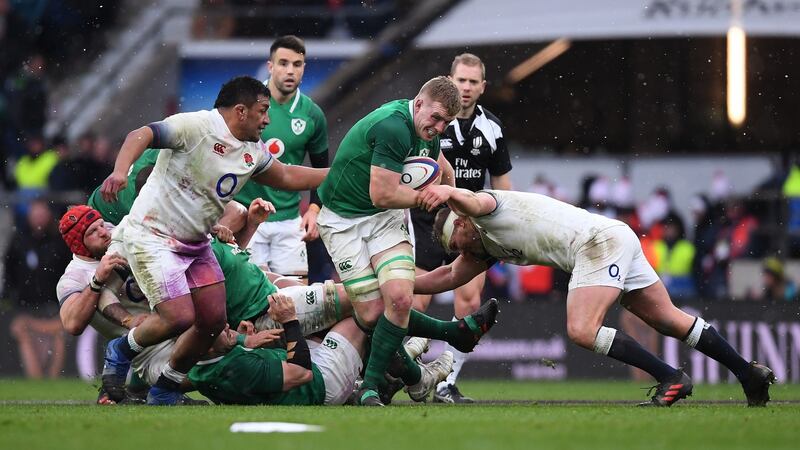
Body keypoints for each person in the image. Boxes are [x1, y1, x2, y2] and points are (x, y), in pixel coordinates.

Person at [414, 186, 776, 407]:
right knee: (668, 318)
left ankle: (671, 377)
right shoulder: (479, 250)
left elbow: (472, 201)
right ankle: (747, 373)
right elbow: (445, 276)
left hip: (596, 244)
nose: (460, 251)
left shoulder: (484, 207)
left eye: (457, 242)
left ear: (461, 223)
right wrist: (398, 286)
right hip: (613, 236)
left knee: (582, 329)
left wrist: (447, 192)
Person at [97, 75, 328, 405]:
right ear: (240, 111)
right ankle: (121, 349)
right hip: (153, 236)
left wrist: (338, 173)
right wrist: (120, 171)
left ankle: (166, 385)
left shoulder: (251, 150)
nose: (267, 119)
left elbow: (289, 175)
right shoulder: (197, 126)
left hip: (195, 244)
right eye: (263, 111)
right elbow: (143, 133)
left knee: (213, 321)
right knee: (179, 317)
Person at [317, 75, 499, 406]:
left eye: (446, 122)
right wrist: (423, 199)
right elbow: (382, 192)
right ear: (418, 103)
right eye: (436, 118)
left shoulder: (428, 133)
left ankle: (369, 388)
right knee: (372, 313)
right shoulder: (393, 127)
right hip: (342, 221)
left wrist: (452, 207)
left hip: (384, 219)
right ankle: (432, 358)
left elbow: (444, 172)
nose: (440, 127)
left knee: (400, 299)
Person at [408, 53, 512, 404]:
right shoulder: (432, 121)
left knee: (468, 302)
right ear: (449, 81)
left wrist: (504, 232)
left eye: (472, 82)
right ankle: (408, 372)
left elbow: (503, 188)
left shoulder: (493, 128)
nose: (465, 88)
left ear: (483, 87)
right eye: (460, 80)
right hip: (426, 223)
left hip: (471, 228)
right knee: (414, 300)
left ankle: (445, 382)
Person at [234, 35, 329, 282]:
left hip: (289, 222)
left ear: (304, 68)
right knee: (250, 299)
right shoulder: (245, 105)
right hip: (246, 217)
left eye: (297, 65)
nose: (290, 71)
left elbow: (322, 170)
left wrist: (314, 209)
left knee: (297, 299)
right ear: (270, 67)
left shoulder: (312, 114)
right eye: (283, 63)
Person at [6, 199, 70, 379]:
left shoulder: (59, 242)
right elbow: (10, 273)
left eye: (42, 213)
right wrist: (13, 298)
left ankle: (53, 378)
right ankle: (35, 379)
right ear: (28, 216)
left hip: (53, 306)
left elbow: (66, 271)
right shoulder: (19, 241)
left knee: (58, 334)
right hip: (27, 305)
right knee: (23, 332)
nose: (39, 218)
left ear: (49, 215)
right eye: (35, 214)